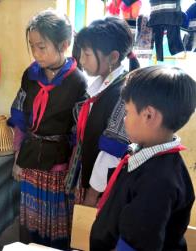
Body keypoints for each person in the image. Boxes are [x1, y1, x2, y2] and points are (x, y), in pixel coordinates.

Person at [90, 65, 196, 250]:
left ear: (149, 115)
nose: (124, 119)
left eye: (128, 112)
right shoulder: (143, 155)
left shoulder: (159, 181)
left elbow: (135, 245)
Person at [7, 9, 87, 249]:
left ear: (63, 44)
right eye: (32, 47)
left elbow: (78, 134)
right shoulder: (30, 76)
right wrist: (18, 160)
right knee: (32, 225)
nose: (36, 53)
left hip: (58, 166)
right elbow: (20, 118)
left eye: (42, 47)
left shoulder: (77, 82)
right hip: (31, 160)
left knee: (55, 225)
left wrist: (72, 176)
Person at [64, 16, 140, 207]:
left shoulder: (122, 94)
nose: (81, 59)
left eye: (87, 54)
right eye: (81, 52)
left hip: (103, 189)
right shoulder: (99, 89)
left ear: (113, 57)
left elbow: (111, 152)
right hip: (91, 179)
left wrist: (92, 195)